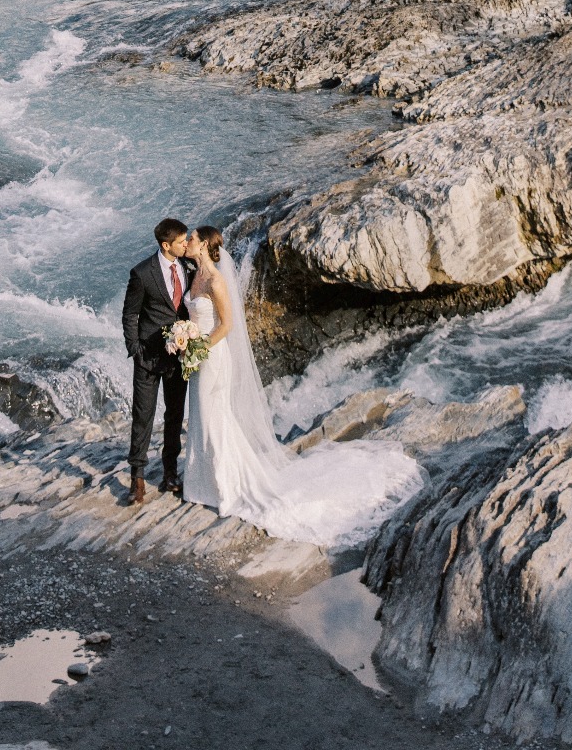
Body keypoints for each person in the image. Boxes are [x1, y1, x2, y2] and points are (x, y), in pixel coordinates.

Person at [180, 225, 424, 548]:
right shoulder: (194, 275)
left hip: (212, 355)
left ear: (203, 245)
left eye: (192, 238)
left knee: (216, 414)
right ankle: (202, 482)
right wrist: (184, 340)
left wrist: (200, 346)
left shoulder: (216, 281)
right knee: (202, 415)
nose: (188, 241)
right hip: (198, 357)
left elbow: (227, 325)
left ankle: (225, 486)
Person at [120, 216, 194, 506]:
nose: (186, 245)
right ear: (166, 245)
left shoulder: (188, 267)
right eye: (181, 241)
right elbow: (130, 314)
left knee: (174, 416)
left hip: (179, 358)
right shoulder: (142, 273)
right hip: (148, 358)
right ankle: (137, 478)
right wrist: (135, 349)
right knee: (143, 416)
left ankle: (170, 473)